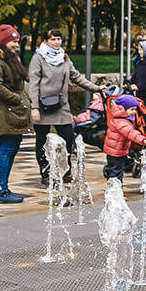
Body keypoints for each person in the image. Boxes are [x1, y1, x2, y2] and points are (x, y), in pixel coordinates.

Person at [29, 28, 100, 186]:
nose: (56, 42)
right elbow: (33, 84)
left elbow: (76, 77)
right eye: (53, 39)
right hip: (42, 106)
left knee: (68, 138)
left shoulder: (65, 58)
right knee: (42, 141)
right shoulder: (38, 58)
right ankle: (45, 173)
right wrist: (34, 107)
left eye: (59, 39)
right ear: (46, 41)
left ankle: (65, 171)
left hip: (61, 106)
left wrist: (96, 88)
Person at [0, 25, 31, 204]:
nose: (16, 45)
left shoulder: (11, 58)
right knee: (7, 148)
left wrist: (26, 101)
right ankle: (0, 190)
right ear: (3, 42)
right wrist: (17, 99)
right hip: (5, 112)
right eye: (13, 41)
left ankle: (4, 187)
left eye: (17, 41)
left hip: (14, 112)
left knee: (12, 148)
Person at [101, 90, 146, 182]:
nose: (134, 112)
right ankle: (114, 192)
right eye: (132, 109)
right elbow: (130, 133)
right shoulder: (121, 121)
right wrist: (143, 140)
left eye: (135, 109)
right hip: (116, 152)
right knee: (116, 172)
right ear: (123, 109)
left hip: (117, 150)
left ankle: (115, 190)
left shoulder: (122, 119)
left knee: (117, 171)